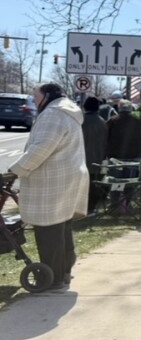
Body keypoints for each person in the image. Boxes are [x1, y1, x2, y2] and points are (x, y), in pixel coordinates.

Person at [7, 84, 89, 292]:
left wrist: (15, 169)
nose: (33, 99)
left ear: (48, 95)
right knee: (62, 228)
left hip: (52, 181)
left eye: (36, 95)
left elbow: (40, 148)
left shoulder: (53, 114)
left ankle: (53, 278)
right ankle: (63, 273)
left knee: (49, 230)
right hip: (67, 177)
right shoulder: (66, 112)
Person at [81, 96, 108, 215]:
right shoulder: (103, 122)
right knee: (94, 186)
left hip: (81, 159)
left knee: (82, 187)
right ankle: (92, 208)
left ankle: (81, 208)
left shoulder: (80, 121)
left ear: (84, 106)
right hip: (98, 159)